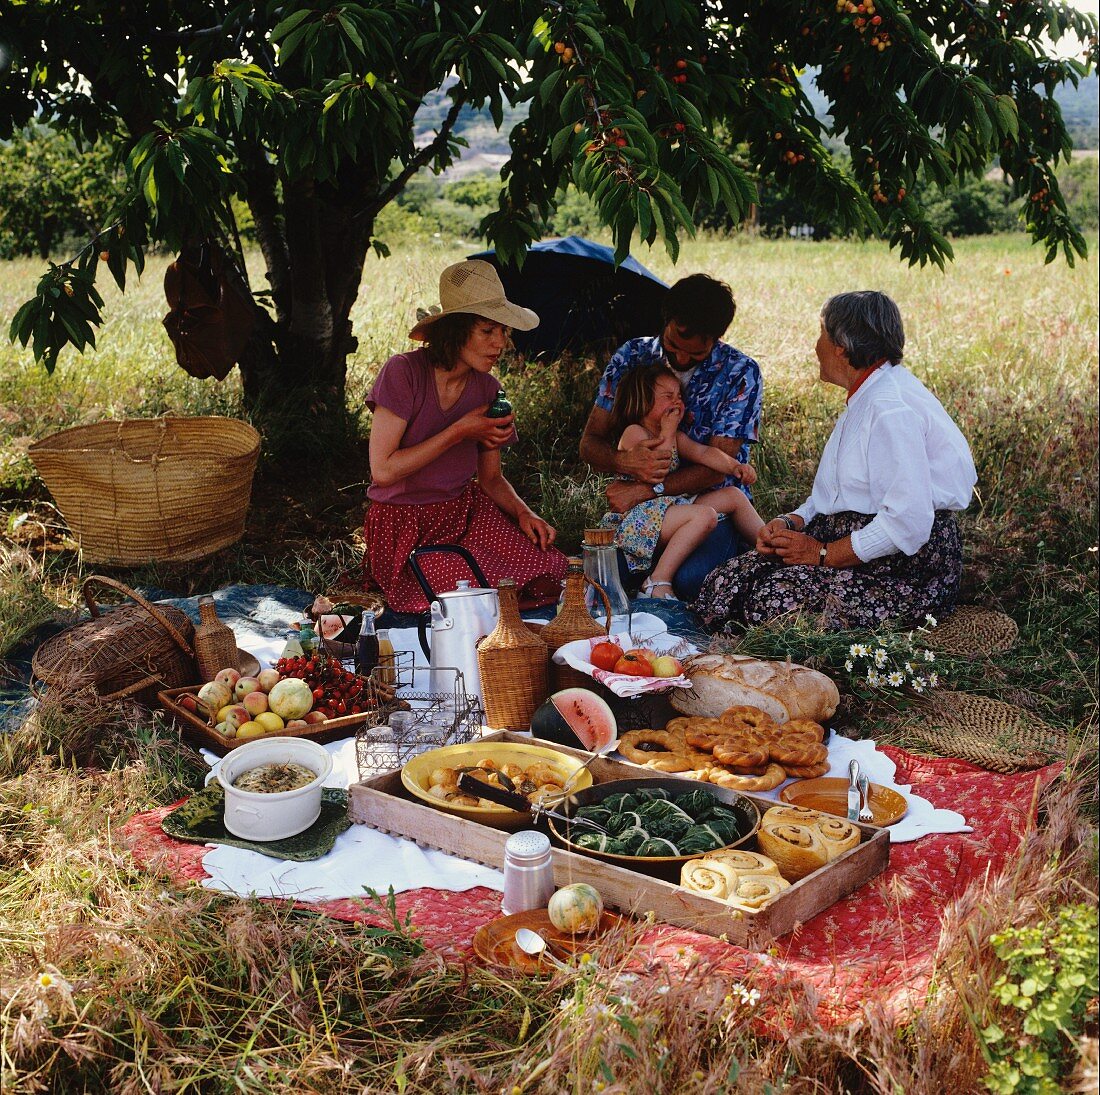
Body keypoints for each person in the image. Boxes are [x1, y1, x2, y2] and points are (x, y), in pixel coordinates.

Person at [694, 290, 977, 632]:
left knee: (770, 600)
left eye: (822, 335)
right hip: (850, 550)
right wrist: (792, 522)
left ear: (841, 346)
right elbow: (840, 494)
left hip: (900, 570)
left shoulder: (889, 408)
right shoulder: (867, 394)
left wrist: (823, 554)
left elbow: (908, 522)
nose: (817, 346)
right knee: (725, 582)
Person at [363, 259, 568, 613]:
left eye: (503, 331)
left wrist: (524, 514)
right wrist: (459, 431)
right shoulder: (404, 373)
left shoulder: (488, 389)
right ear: (456, 331)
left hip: (463, 514)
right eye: (488, 331)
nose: (500, 342)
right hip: (405, 523)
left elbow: (491, 478)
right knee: (469, 598)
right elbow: (382, 471)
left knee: (552, 570)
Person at [579, 273, 763, 601]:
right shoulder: (632, 357)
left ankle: (770, 546)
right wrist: (623, 461)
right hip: (648, 513)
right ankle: (645, 579)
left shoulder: (739, 373)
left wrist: (645, 490)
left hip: (705, 502)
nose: (680, 359)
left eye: (696, 355)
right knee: (627, 573)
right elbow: (590, 442)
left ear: (717, 338)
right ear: (667, 320)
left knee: (692, 582)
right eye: (674, 344)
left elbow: (714, 465)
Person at [601, 362, 765, 598]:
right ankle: (657, 581)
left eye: (679, 395)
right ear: (642, 401)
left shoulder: (675, 435)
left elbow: (704, 454)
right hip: (640, 517)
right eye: (668, 396)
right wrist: (667, 431)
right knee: (705, 515)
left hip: (668, 508)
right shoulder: (635, 432)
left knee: (733, 496)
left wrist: (735, 466)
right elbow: (660, 469)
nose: (677, 402)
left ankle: (772, 544)